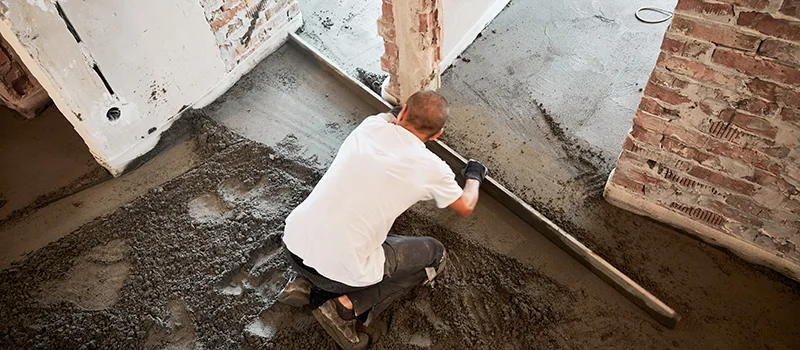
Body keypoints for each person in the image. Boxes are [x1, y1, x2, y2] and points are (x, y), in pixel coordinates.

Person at [278, 90, 487, 349]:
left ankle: (302, 284)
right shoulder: (433, 168)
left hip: (291, 246)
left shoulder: (371, 126)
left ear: (405, 112)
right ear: (437, 136)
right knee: (434, 254)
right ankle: (344, 309)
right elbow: (466, 205)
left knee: (345, 222)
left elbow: (391, 115)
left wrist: (407, 108)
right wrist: (474, 175)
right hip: (339, 275)